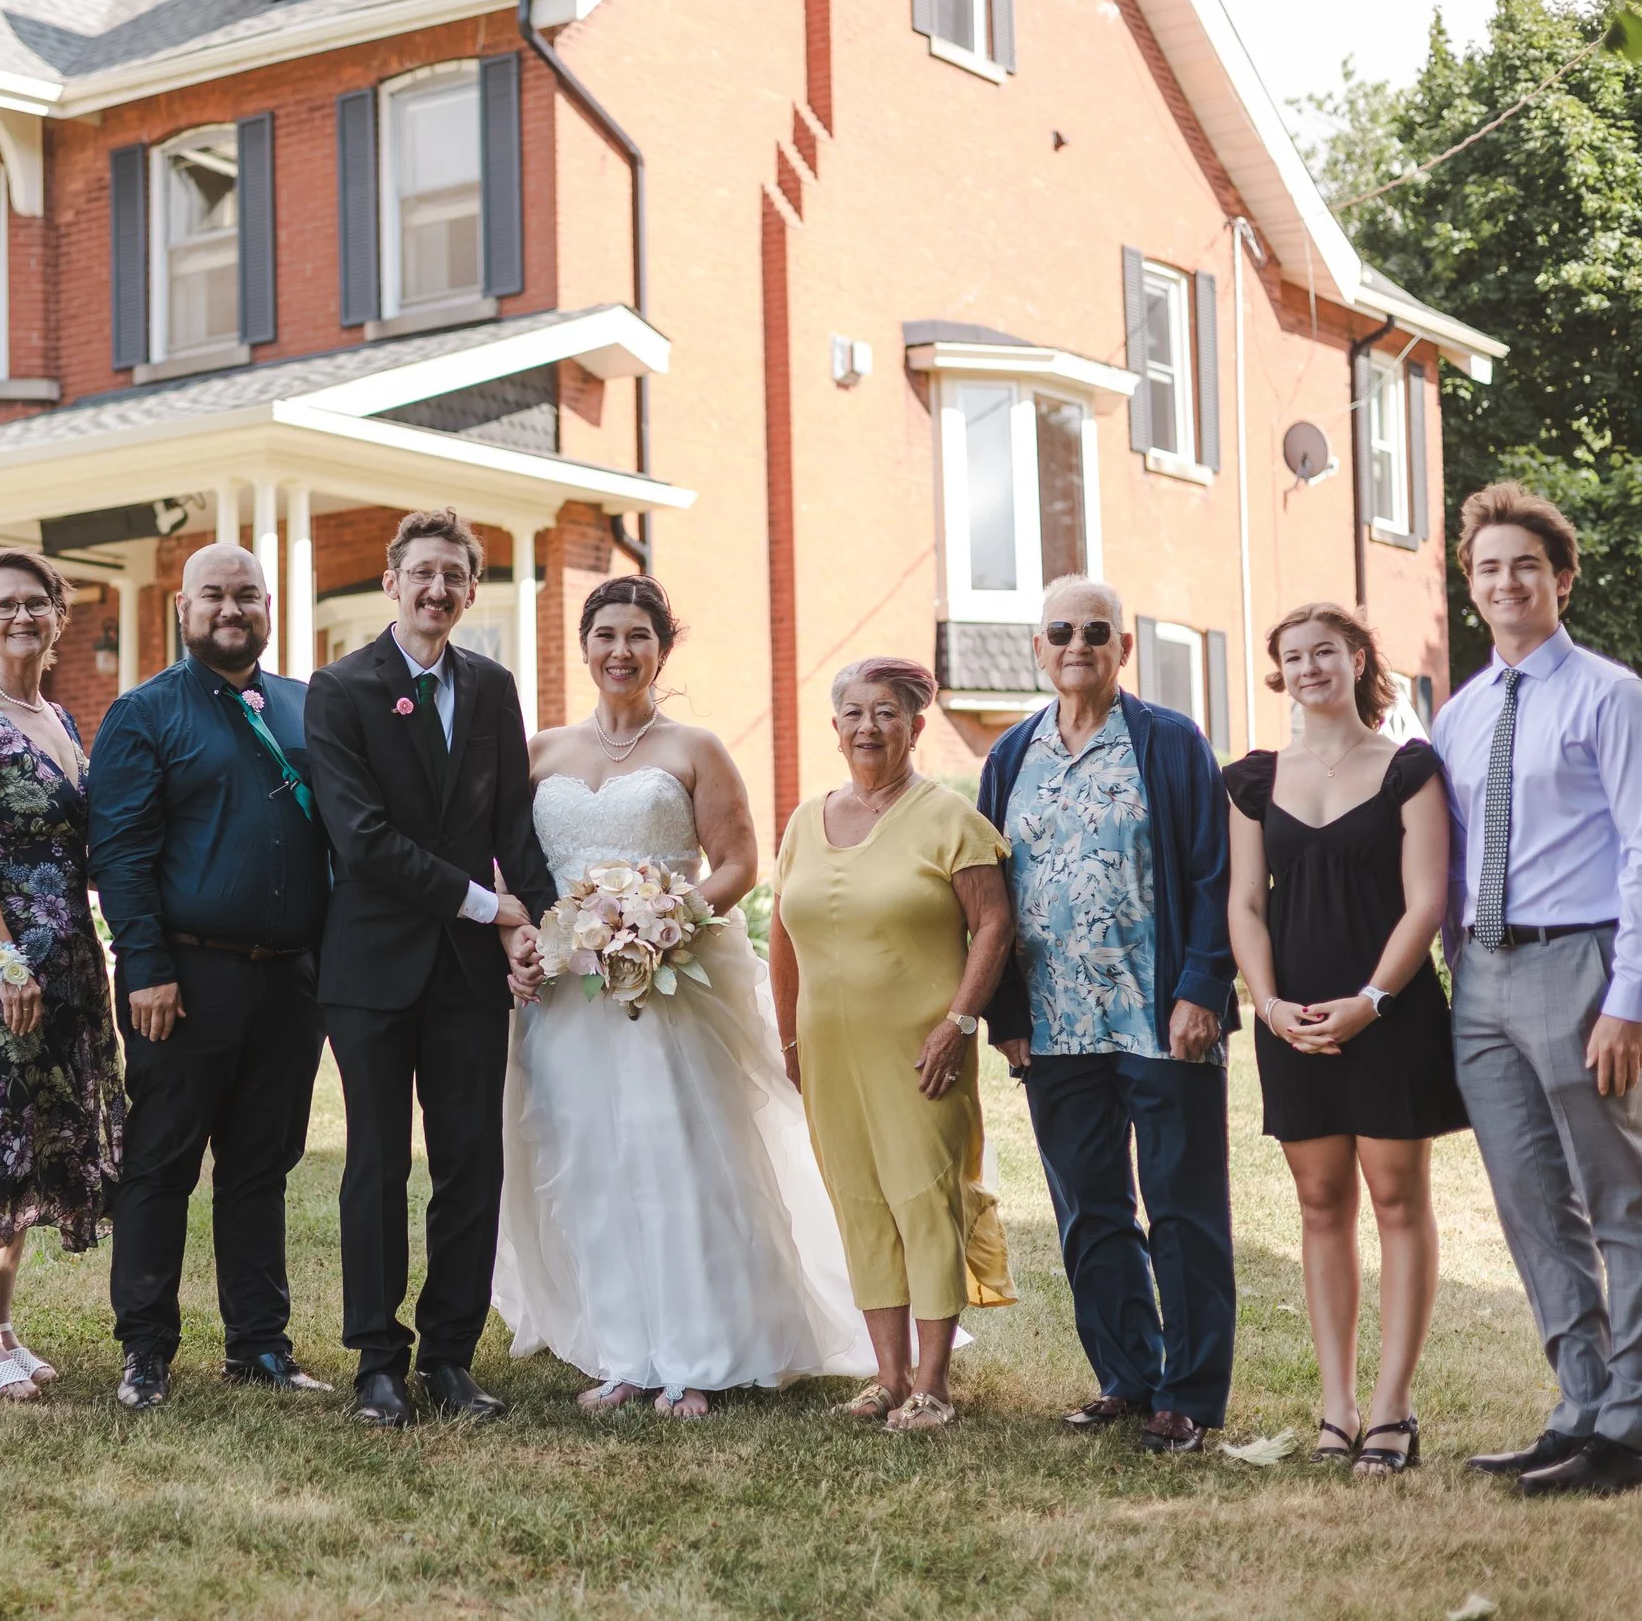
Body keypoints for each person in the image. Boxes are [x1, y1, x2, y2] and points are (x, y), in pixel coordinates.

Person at [494, 579, 873, 1419]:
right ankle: (624, 1351)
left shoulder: (696, 747)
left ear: (664, 648)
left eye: (637, 635)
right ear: (583, 645)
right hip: (569, 1000)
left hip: (670, 988)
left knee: (679, 1165)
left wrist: (662, 919)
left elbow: (739, 862)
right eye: (604, 634)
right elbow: (508, 873)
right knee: (594, 1167)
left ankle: (700, 1355)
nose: (619, 651)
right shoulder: (540, 753)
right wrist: (521, 940)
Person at [1431, 483, 1642, 1498]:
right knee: (1532, 1206)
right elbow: (1445, 860)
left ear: (1561, 578)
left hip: (1579, 967)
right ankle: (1576, 1407)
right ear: (1470, 585)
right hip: (1480, 977)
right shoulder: (1459, 712)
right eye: (1487, 567)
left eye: (1524, 565)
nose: (1505, 582)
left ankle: (1630, 1429)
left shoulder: (1611, 696)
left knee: (1617, 1201)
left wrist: (1628, 996)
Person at [305, 508, 558, 1427]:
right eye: (423, 574)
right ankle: (378, 1360)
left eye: (455, 576)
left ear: (468, 588)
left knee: (470, 1162)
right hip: (370, 967)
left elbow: (512, 829)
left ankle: (451, 1356)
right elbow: (363, 840)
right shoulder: (339, 690)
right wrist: (495, 908)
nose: (439, 590)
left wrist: (548, 928)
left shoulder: (492, 687)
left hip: (465, 978)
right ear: (390, 583)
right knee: (376, 1161)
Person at [977, 576, 1240, 1454]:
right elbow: (984, 895)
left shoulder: (1168, 743)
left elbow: (1215, 873)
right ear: (1039, 649)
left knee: (1181, 1205)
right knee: (1090, 1207)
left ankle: (1190, 1395)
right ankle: (1127, 1377)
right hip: (1053, 1026)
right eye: (1062, 630)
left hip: (1161, 1018)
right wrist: (1004, 1009)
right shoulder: (1010, 757)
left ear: (1123, 648)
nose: (1079, 642)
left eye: (1097, 629)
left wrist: (1203, 986)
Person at [89, 544, 334, 1412]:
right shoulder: (143, 714)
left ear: (268, 606)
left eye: (247, 595)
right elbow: (119, 854)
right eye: (213, 596)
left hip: (290, 982)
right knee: (162, 1163)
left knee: (261, 1164)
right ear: (183, 609)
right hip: (183, 978)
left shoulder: (310, 707)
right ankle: (145, 1350)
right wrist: (147, 967)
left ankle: (260, 1345)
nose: (231, 609)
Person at [1224, 603, 1462, 1475]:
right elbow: (1245, 904)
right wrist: (1269, 1004)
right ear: (1280, 671)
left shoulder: (1408, 767)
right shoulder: (1253, 778)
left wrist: (1371, 998)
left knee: (1398, 1200)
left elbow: (1427, 902)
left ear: (1359, 658)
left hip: (1387, 1011)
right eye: (1295, 654)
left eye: (1328, 649)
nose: (1312, 665)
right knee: (1319, 1205)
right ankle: (1337, 1408)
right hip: (1294, 1018)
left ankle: (1393, 1409)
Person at [769, 657, 1018, 1433]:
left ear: (915, 726)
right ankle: (887, 1375)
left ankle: (933, 1384)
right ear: (835, 726)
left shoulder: (951, 819)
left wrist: (960, 1022)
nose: (867, 727)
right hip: (828, 1052)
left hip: (924, 1048)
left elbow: (995, 925)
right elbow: (782, 932)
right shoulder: (805, 821)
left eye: (886, 713)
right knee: (860, 1203)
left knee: (925, 1200)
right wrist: (788, 1037)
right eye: (853, 712)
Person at [0, 549, 127, 1401]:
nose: (20, 617)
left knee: (34, 1135)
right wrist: (5, 958)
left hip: (63, 950)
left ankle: (3, 1322)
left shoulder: (58, 718)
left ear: (57, 616)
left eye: (35, 603)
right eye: (1, 605)